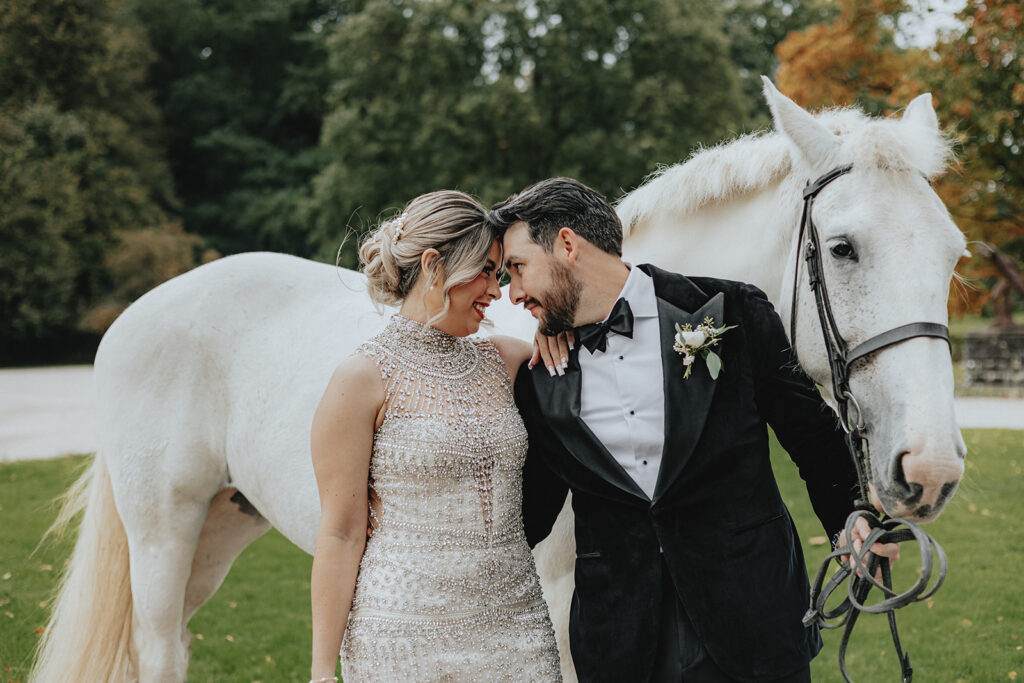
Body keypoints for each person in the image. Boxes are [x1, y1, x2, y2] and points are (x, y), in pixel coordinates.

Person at [488, 177, 897, 682]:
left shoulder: (731, 312)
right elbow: (534, 506)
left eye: (517, 268)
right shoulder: (541, 374)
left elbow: (812, 437)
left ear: (568, 245)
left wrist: (851, 516)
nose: (514, 292)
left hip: (753, 616)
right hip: (621, 640)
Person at [308, 190, 561, 683]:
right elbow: (340, 532)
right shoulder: (362, 378)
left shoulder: (508, 360)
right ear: (433, 265)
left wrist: (557, 327)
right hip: (405, 631)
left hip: (518, 625)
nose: (496, 289)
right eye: (487, 270)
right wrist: (321, 670)